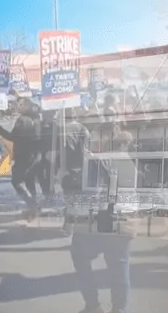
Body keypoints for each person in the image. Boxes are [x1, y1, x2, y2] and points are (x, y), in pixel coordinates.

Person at [70, 129, 136, 313]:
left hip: (103, 222)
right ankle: (117, 310)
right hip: (121, 224)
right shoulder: (129, 162)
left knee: (80, 255)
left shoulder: (106, 160)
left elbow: (95, 188)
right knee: (119, 269)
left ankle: (93, 305)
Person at [0, 97, 41, 220]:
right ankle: (33, 209)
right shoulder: (36, 119)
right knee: (30, 181)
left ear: (27, 106)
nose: (18, 107)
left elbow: (13, 137)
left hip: (23, 155)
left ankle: (32, 204)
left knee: (17, 181)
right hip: (34, 155)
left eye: (21, 105)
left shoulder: (23, 120)